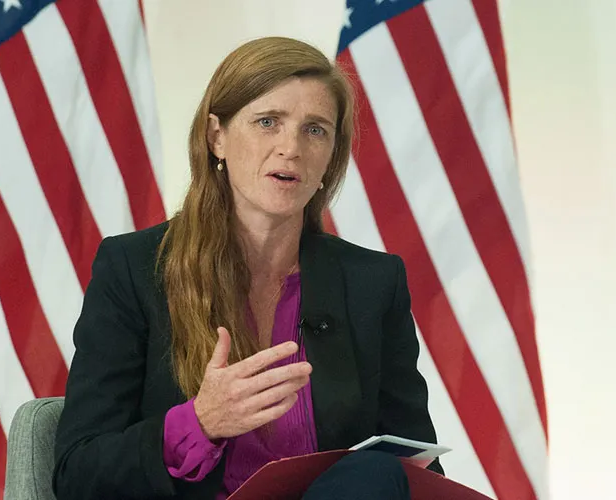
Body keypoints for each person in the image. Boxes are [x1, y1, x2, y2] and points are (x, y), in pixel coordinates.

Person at [52, 36, 442, 500]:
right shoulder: (134, 269)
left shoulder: (371, 283)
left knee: (375, 474)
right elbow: (78, 473)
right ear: (216, 137)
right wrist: (200, 423)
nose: (291, 148)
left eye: (315, 130)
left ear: (331, 156)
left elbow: (418, 464)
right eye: (267, 122)